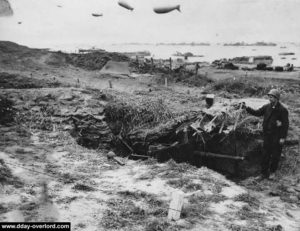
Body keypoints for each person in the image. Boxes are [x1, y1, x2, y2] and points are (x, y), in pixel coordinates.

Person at [242, 89, 289, 180]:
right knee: (265, 154)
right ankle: (263, 173)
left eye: (271, 97)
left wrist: (283, 137)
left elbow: (285, 125)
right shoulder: (267, 107)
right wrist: (246, 108)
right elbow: (257, 112)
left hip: (277, 136)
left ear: (276, 98)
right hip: (267, 135)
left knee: (275, 155)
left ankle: (272, 172)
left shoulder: (282, 110)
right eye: (269, 97)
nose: (269, 99)